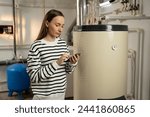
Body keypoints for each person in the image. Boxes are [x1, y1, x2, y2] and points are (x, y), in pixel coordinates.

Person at [27, 9, 80, 100]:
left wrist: (72, 63)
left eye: (62, 26)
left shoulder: (62, 44)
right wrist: (56, 63)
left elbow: (67, 70)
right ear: (47, 24)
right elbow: (34, 77)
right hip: (42, 98)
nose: (60, 29)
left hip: (60, 95)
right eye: (57, 25)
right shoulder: (36, 46)